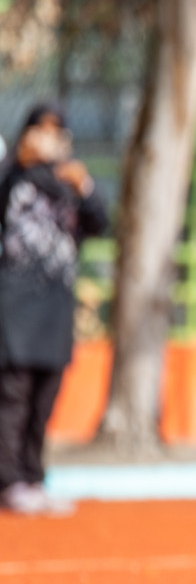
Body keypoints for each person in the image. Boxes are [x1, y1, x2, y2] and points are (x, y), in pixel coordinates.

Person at [0, 103, 108, 516]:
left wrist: (86, 186)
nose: (49, 139)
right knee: (13, 395)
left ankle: (32, 476)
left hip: (56, 303)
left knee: (44, 395)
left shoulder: (70, 181)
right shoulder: (14, 174)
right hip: (14, 302)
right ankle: (8, 481)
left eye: (56, 131)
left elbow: (101, 222)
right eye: (40, 130)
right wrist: (16, 161)